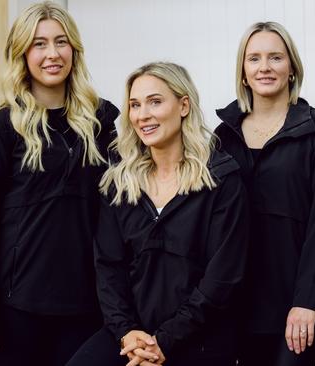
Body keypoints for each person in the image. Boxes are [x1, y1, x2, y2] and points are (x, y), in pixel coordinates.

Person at [0, 2, 119, 365]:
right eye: (39, 44)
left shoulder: (105, 119)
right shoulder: (1, 129)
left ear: (74, 50)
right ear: (22, 54)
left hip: (88, 306)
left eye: (61, 42)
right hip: (18, 310)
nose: (52, 54)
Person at [66, 62, 249, 366]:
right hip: (132, 335)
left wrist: (164, 342)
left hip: (199, 337)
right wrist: (127, 332)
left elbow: (222, 278)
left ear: (184, 105)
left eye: (155, 101)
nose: (142, 115)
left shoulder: (221, 179)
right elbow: (108, 268)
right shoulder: (120, 183)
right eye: (135, 105)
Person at [214, 22, 315, 366]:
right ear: (243, 72)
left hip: (296, 302)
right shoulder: (222, 136)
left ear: (291, 68)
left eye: (276, 57)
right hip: (237, 304)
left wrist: (308, 301)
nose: (265, 67)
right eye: (254, 58)